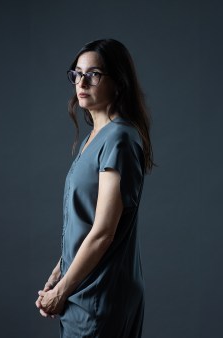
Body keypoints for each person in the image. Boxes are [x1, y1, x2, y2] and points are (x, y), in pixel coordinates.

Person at [35, 38, 155, 338]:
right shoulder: (93, 138)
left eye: (94, 74)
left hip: (100, 294)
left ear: (118, 82)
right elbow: (84, 221)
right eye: (77, 74)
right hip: (83, 288)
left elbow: (103, 231)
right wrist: (57, 274)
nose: (82, 82)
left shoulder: (119, 138)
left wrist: (61, 292)